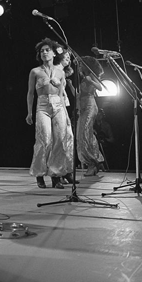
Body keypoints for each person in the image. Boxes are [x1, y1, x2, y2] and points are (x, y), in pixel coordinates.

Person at [26, 38, 73, 189]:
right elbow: (30, 93)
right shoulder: (35, 71)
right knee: (44, 139)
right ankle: (39, 173)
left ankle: (56, 175)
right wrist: (29, 113)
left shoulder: (60, 72)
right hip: (42, 105)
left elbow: (61, 95)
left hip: (58, 105)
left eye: (47, 50)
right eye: (42, 51)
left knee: (60, 140)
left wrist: (66, 115)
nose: (44, 53)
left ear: (54, 53)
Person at [53, 46, 79, 185]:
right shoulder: (55, 70)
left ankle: (67, 171)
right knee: (59, 141)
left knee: (68, 139)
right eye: (66, 57)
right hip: (55, 107)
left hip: (62, 106)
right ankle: (56, 175)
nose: (69, 59)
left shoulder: (62, 72)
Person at [76, 56, 104, 176]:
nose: (79, 66)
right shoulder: (83, 78)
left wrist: (91, 81)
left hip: (90, 106)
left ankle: (93, 162)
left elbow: (100, 87)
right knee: (83, 134)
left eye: (81, 64)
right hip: (83, 108)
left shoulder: (91, 75)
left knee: (85, 134)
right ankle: (96, 160)